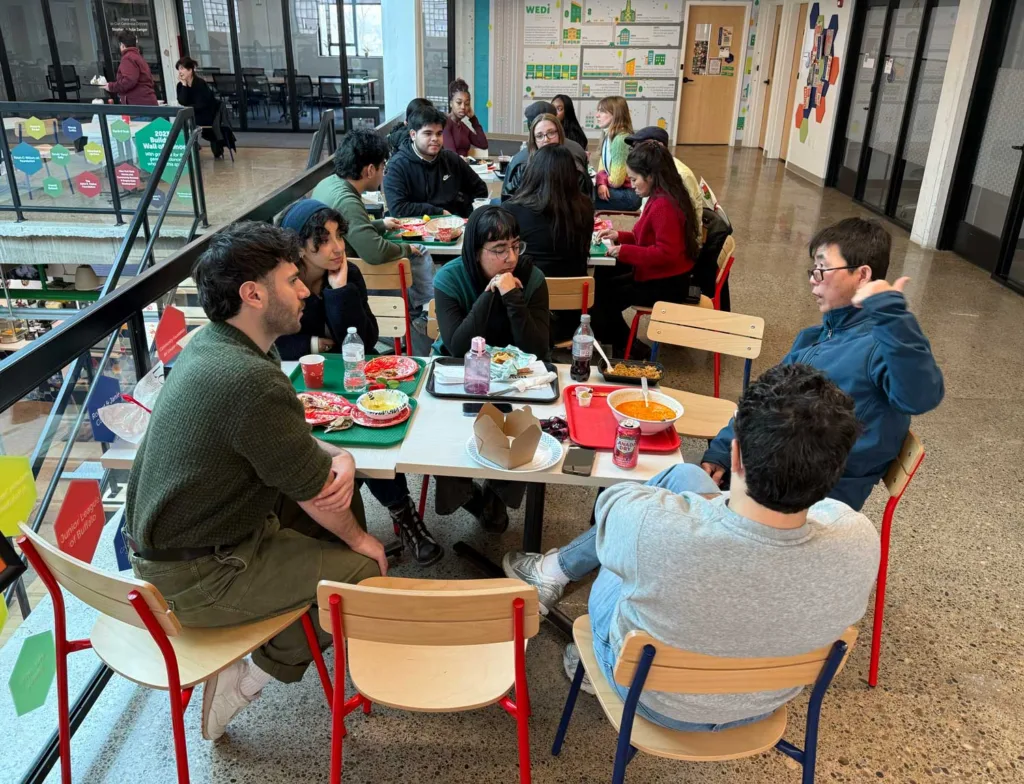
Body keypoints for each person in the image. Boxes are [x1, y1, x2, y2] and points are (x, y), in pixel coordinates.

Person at [504, 363, 880, 731]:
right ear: (834, 471)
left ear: (735, 457)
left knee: (626, 557)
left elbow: (614, 504)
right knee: (687, 475)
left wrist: (704, 505)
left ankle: (574, 630)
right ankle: (550, 573)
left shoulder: (651, 527)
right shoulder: (860, 537)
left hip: (649, 697)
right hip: (760, 705)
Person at [124, 221, 389, 742]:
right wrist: (365, 543)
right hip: (198, 575)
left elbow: (297, 450)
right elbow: (314, 486)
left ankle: (284, 604)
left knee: (338, 501)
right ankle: (246, 680)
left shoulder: (222, 344)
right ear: (252, 294)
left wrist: (341, 458)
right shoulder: (248, 378)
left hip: (185, 541)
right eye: (292, 280)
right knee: (358, 573)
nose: (303, 289)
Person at [701, 218, 944, 510]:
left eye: (822, 269)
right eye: (813, 269)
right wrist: (720, 450)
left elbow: (919, 396)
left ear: (862, 275)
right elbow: (760, 403)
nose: (813, 278)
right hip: (765, 475)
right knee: (678, 479)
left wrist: (893, 317)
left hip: (810, 501)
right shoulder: (814, 338)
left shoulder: (880, 344)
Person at [273, 200, 443, 566]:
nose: (337, 248)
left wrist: (338, 292)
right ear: (299, 246)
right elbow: (281, 343)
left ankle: (399, 514)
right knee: (340, 444)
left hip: (352, 380)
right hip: (298, 387)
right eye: (324, 240)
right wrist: (318, 343)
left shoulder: (348, 275)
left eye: (339, 237)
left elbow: (364, 340)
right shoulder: (285, 283)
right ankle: (393, 517)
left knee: (371, 426)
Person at [431, 206, 550, 532]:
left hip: (516, 375)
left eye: (515, 245)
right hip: (460, 372)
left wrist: (512, 296)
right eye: (499, 250)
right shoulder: (450, 278)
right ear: (475, 250)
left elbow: (537, 349)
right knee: (445, 428)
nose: (510, 257)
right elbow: (457, 346)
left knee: (526, 428)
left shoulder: (533, 278)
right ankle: (467, 494)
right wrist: (488, 295)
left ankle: (497, 495)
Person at [312, 129, 434, 345]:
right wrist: (406, 249)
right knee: (418, 252)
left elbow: (350, 228)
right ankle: (424, 314)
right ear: (370, 170)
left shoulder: (329, 183)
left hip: (336, 269)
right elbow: (375, 252)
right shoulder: (347, 200)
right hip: (350, 274)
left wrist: (379, 224)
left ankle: (417, 315)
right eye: (382, 168)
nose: (383, 173)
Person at [592, 141, 700, 356]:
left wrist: (624, 251)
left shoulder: (663, 205)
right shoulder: (662, 196)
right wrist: (619, 236)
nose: (631, 184)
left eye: (634, 179)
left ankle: (630, 347)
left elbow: (665, 252)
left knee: (601, 297)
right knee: (601, 284)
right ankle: (617, 340)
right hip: (662, 276)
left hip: (666, 284)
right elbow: (645, 238)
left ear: (650, 176)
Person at [383, 104, 488, 219]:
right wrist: (439, 212)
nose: (435, 139)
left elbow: (480, 189)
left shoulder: (451, 159)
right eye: (428, 133)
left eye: (439, 133)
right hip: (414, 231)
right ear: (413, 135)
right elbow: (398, 209)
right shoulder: (397, 166)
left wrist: (465, 213)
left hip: (454, 226)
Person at [504, 145, 593, 279]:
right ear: (571, 174)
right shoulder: (585, 207)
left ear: (533, 171)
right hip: (574, 293)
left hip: (526, 291)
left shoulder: (511, 209)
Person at [502, 101, 590, 201]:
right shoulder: (577, 149)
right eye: (540, 135)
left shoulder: (519, 161)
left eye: (551, 133)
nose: (546, 139)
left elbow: (506, 199)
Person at [624, 126, 701, 219]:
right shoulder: (651, 171)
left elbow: (691, 219)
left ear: (659, 146)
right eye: (633, 147)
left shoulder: (682, 175)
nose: (635, 151)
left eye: (639, 146)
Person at [175, 56, 236, 159]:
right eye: (179, 69)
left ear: (190, 70)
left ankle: (192, 145)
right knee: (183, 121)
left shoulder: (200, 83)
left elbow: (202, 105)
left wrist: (188, 109)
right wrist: (184, 85)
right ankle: (192, 145)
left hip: (208, 114)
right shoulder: (181, 85)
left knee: (187, 121)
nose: (180, 72)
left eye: (182, 68)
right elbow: (182, 101)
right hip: (194, 113)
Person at [594, 96, 640, 212]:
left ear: (616, 114)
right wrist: (601, 183)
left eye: (602, 111)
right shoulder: (608, 135)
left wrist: (602, 181)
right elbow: (602, 166)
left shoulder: (620, 140)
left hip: (630, 196)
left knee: (582, 196)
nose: (597, 115)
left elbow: (616, 181)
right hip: (622, 190)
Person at [106, 32, 158, 106]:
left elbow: (129, 81)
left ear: (122, 45)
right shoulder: (138, 57)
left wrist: (110, 86)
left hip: (138, 106)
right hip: (147, 103)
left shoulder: (127, 58)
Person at [444, 77, 488, 156]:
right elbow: (451, 157)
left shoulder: (463, 126)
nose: (463, 107)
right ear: (451, 103)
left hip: (464, 166)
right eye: (459, 102)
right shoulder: (445, 123)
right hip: (454, 167)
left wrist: (473, 119)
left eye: (467, 104)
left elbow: (483, 144)